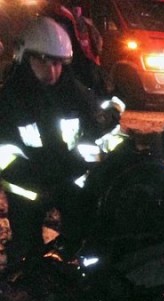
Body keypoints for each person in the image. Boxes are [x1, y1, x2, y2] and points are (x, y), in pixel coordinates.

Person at [0, 16, 121, 265]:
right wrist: (45, 178)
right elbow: (5, 157)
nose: (52, 71)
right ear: (25, 57)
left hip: (70, 185)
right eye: (43, 61)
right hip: (29, 192)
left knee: (86, 245)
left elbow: (96, 130)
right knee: (27, 255)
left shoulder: (73, 93)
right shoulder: (9, 101)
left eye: (58, 63)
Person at [42, 0, 105, 92]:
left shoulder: (79, 21)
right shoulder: (67, 18)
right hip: (81, 65)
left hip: (87, 65)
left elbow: (96, 40)